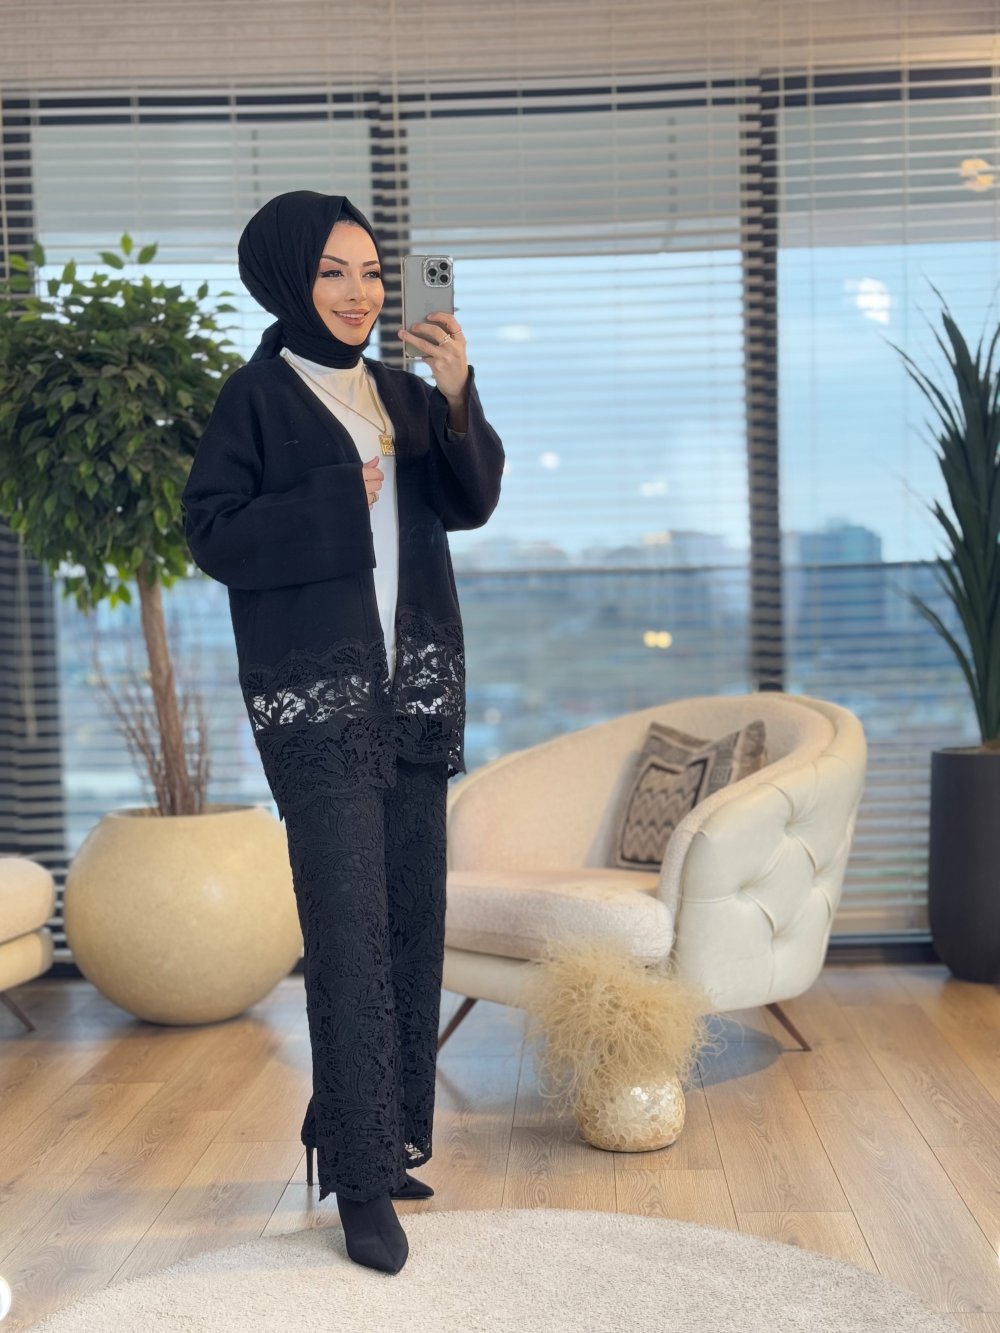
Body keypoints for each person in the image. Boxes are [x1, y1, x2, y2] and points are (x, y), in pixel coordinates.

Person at [181, 190, 504, 1275]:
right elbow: (212, 533)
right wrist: (336, 494)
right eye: (333, 271)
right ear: (287, 278)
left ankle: (385, 1137)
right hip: (317, 703)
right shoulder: (257, 398)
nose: (359, 292)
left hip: (412, 690)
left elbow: (470, 501)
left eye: (370, 271)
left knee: (410, 918)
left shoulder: (403, 392)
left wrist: (457, 395)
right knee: (348, 931)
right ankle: (359, 1186)